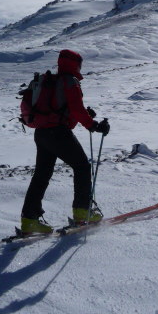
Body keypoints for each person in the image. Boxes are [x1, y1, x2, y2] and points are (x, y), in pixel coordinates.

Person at [20, 49, 110, 234]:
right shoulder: (70, 81)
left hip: (42, 134)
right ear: (76, 63)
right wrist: (93, 125)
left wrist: (86, 117)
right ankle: (82, 212)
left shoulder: (51, 81)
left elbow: (62, 112)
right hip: (58, 134)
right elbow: (76, 109)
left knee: (41, 175)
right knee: (82, 166)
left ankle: (29, 220)